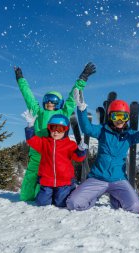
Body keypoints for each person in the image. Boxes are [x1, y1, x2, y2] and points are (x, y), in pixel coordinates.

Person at [66, 90, 139, 214]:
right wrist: (81, 107)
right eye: (116, 116)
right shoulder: (102, 131)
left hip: (119, 180)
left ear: (127, 118)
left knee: (134, 208)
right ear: (110, 117)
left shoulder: (130, 135)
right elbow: (86, 128)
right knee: (73, 203)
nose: (120, 120)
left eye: (124, 117)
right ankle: (94, 196)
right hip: (97, 178)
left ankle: (115, 198)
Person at [14, 62, 96, 201]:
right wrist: (20, 79)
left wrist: (82, 78)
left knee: (48, 182)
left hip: (56, 155)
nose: (50, 104)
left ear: (59, 103)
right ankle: (31, 198)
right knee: (28, 187)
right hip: (38, 152)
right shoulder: (38, 112)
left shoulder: (64, 112)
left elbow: (72, 98)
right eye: (47, 101)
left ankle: (53, 196)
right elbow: (28, 95)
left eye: (53, 101)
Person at [23, 111, 87, 207]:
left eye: (60, 128)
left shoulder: (70, 145)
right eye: (53, 128)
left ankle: (71, 190)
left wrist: (81, 150)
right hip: (46, 181)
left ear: (66, 130)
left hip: (64, 182)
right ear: (49, 129)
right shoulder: (44, 142)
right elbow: (31, 140)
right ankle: (49, 196)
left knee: (61, 203)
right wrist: (30, 126)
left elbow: (78, 158)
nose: (56, 131)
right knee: (41, 203)